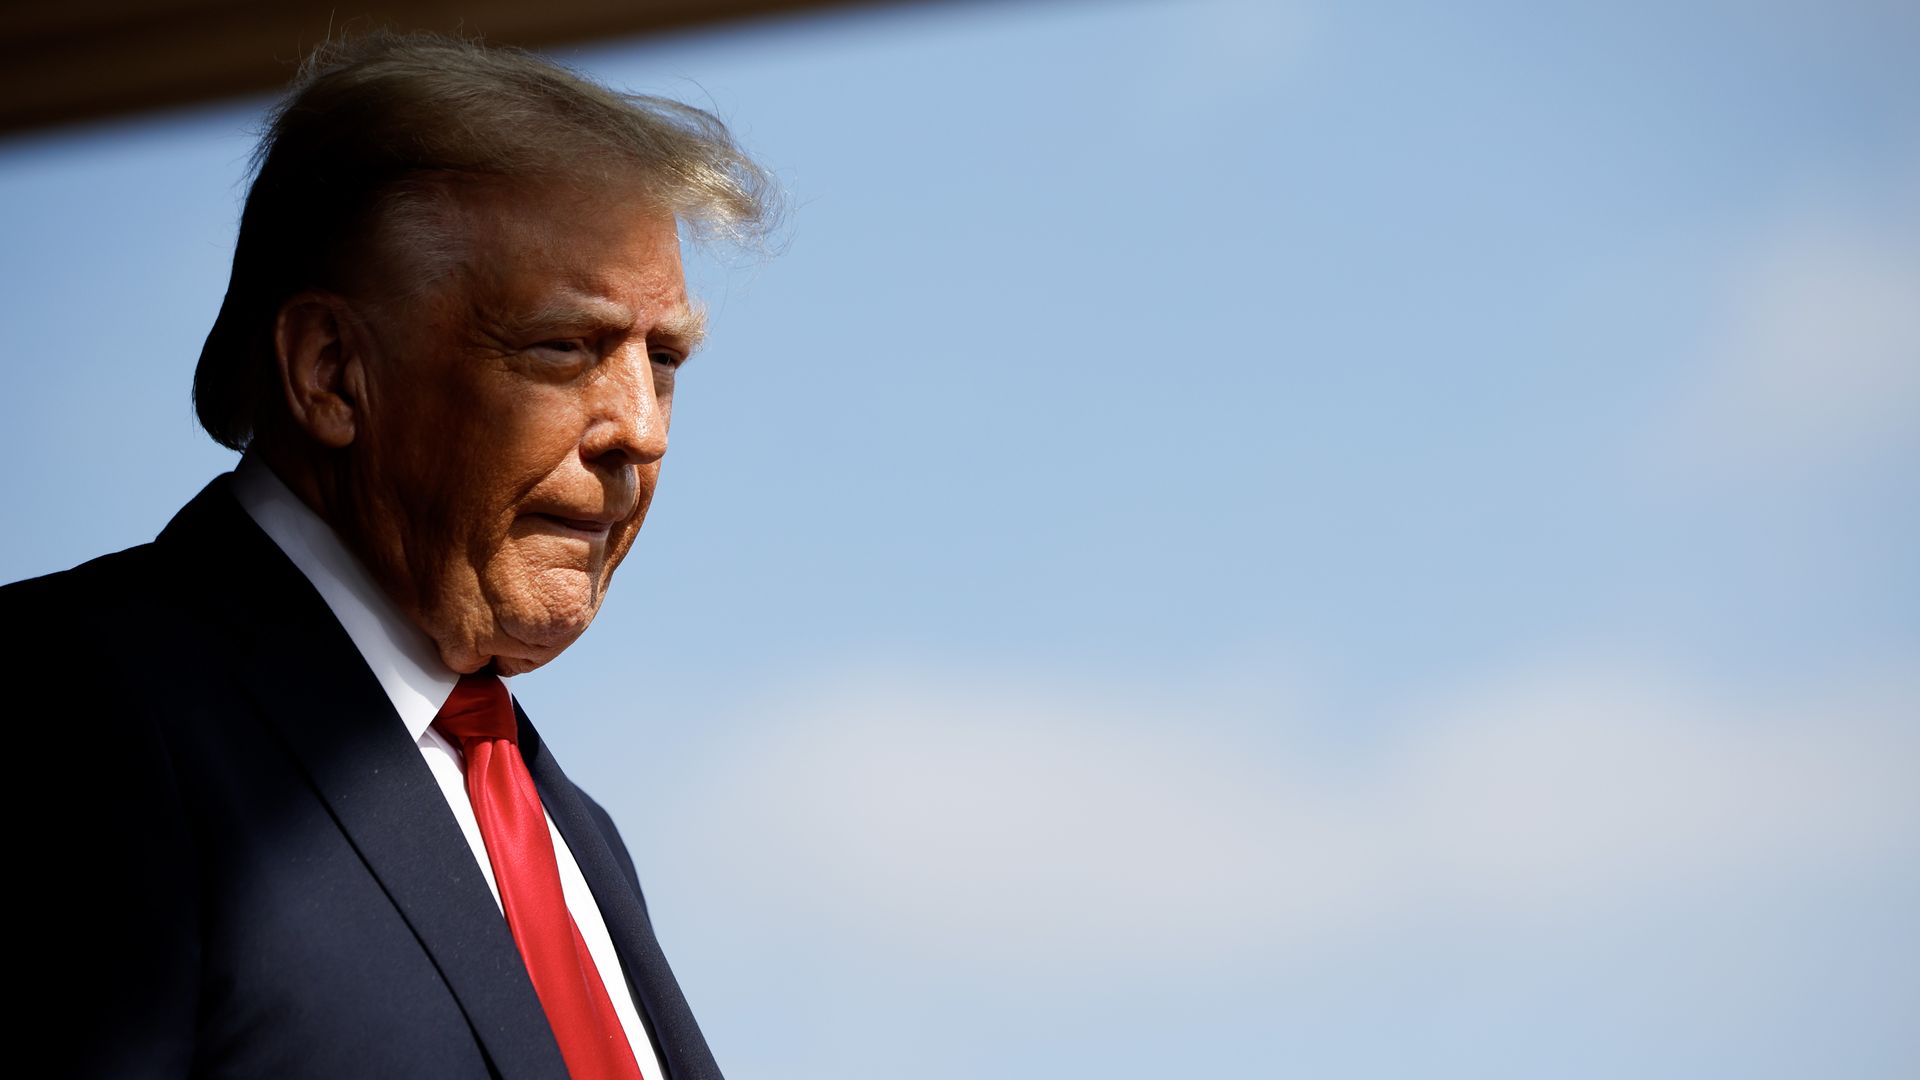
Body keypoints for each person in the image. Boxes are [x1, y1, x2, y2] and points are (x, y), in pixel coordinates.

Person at [3, 31, 774, 1080]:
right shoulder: (64, 702)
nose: (641, 429)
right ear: (331, 373)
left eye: (665, 360)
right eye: (563, 347)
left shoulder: (573, 832)